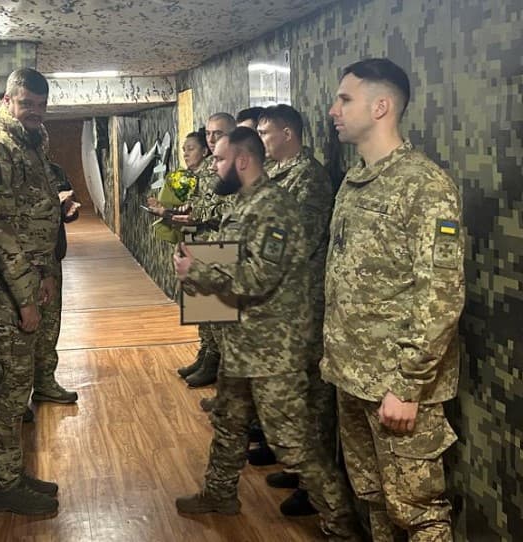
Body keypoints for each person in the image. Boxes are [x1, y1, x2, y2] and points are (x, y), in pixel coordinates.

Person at [173, 127, 357, 540]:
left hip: (273, 349)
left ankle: (343, 524)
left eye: (219, 159)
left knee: (291, 441)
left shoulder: (273, 208)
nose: (213, 167)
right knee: (229, 421)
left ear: (242, 161)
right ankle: (219, 493)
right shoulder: (242, 203)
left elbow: (258, 278)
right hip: (243, 341)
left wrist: (197, 272)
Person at [324, 58, 464, 541]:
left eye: (345, 99)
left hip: (399, 388)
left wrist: (408, 386)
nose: (333, 110)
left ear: (381, 106)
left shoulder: (425, 186)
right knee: (375, 502)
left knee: (419, 512)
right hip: (353, 376)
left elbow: (441, 295)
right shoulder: (355, 181)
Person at [0, 67, 66, 515]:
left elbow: (37, 212)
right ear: (7, 101)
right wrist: (26, 299)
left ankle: (12, 470)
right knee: (11, 384)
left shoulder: (32, 139)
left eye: (41, 107)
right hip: (0, 282)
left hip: (27, 274)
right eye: (27, 104)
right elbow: (1, 230)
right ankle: (3, 485)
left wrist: (45, 273)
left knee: (21, 379)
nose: (35, 114)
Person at [257, 104, 335, 516]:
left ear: (288, 133)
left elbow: (296, 240)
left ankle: (314, 485)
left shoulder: (309, 177)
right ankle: (298, 466)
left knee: (311, 396)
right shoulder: (275, 175)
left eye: (267, 132)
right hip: (280, 301)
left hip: (303, 302)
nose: (262, 139)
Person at [173, 113, 237, 389]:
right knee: (205, 310)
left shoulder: (234, 166)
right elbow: (200, 201)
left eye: (218, 134)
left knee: (219, 315)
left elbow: (230, 207)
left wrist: (197, 212)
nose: (211, 139)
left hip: (220, 246)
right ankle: (207, 354)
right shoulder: (210, 166)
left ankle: (217, 365)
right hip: (203, 242)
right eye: (209, 134)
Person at [23, 162, 80, 423]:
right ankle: (16, 398)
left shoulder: (55, 170)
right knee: (19, 331)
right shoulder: (14, 167)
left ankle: (45, 382)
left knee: (49, 325)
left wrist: (68, 210)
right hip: (20, 262)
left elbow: (69, 204)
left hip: (51, 258)